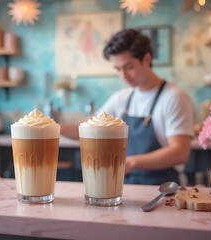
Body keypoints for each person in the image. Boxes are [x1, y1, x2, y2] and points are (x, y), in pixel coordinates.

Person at [61, 29, 195, 185]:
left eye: (129, 67)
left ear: (146, 59)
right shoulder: (121, 98)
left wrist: (130, 163)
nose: (123, 76)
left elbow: (179, 152)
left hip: (163, 189)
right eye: (118, 69)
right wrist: (54, 128)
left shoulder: (175, 97)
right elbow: (87, 128)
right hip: (126, 185)